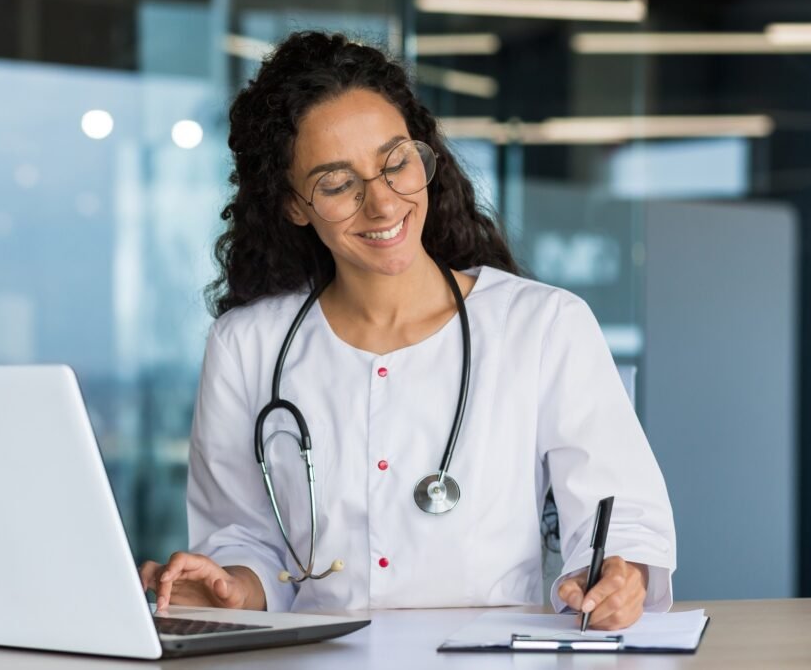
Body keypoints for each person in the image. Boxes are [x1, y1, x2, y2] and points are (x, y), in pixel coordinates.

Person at [138, 31, 675, 631]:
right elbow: (245, 539)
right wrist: (229, 589)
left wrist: (618, 576)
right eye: (338, 184)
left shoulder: (543, 325)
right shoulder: (246, 345)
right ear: (293, 204)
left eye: (395, 162)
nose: (383, 204)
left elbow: (619, 517)